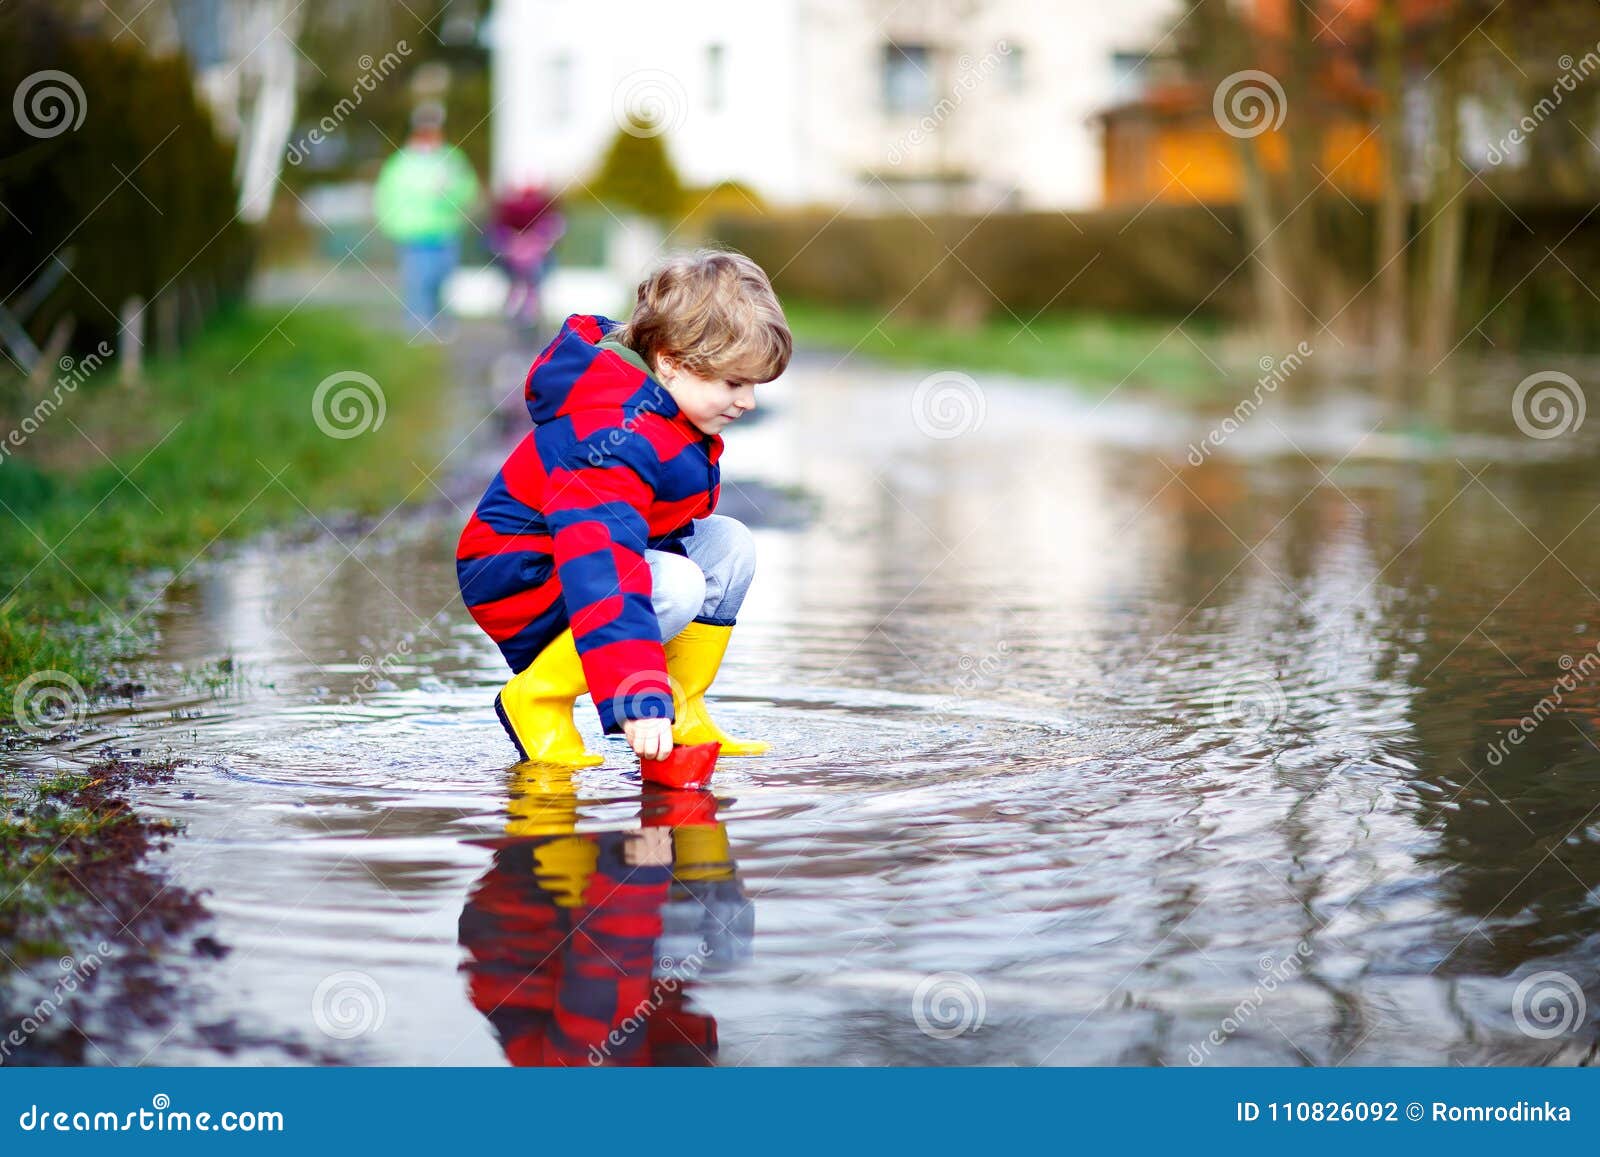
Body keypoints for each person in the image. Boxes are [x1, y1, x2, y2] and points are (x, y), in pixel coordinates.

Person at [455, 249, 791, 764]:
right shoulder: (614, 436)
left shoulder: (665, 408)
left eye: (753, 385)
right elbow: (602, 565)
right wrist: (636, 695)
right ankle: (539, 697)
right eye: (733, 383)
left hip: (585, 563)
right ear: (672, 364)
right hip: (523, 578)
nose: (747, 402)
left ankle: (682, 710)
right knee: (677, 585)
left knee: (728, 545)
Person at [372, 102, 481, 338]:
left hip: (445, 231)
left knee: (442, 283)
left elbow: (468, 189)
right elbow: (386, 196)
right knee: (417, 283)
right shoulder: (400, 163)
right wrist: (393, 226)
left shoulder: (452, 158)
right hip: (414, 235)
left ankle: (442, 326)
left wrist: (450, 192)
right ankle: (417, 327)